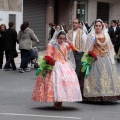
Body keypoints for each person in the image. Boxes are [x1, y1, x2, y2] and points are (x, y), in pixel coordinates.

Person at [32, 31, 82, 109]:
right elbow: (48, 55)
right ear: (57, 38)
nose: (61, 40)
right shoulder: (52, 45)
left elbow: (74, 48)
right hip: (55, 64)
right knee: (55, 83)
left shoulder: (65, 45)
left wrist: (68, 41)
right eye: (60, 38)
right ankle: (56, 101)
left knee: (64, 83)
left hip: (65, 65)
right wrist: (51, 62)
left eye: (63, 38)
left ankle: (60, 101)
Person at [82, 19, 120, 102]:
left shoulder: (106, 35)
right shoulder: (91, 35)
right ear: (94, 26)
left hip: (105, 57)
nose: (98, 27)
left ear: (102, 26)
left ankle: (106, 94)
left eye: (99, 26)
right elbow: (87, 48)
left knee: (106, 74)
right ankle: (97, 94)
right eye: (96, 26)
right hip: (95, 58)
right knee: (96, 75)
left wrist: (111, 58)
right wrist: (92, 44)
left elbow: (110, 47)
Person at [67, 19, 87, 84]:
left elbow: (85, 43)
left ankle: (77, 83)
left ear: (78, 24)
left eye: (75, 23)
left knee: (78, 69)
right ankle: (71, 83)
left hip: (78, 53)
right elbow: (66, 41)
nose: (74, 24)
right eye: (73, 23)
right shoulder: (69, 32)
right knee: (70, 68)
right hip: (70, 53)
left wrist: (82, 52)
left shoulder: (82, 32)